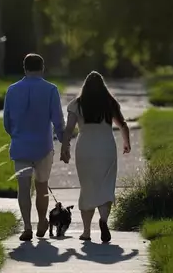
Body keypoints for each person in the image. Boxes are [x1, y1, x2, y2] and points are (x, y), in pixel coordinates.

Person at [60, 71, 131, 243]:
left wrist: (65, 146)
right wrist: (126, 142)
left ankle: (86, 232)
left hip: (85, 148)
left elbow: (69, 129)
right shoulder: (110, 103)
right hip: (106, 146)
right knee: (106, 185)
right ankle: (104, 221)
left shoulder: (76, 104)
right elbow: (122, 124)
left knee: (87, 187)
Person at [3, 53, 67, 241]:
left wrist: (15, 135)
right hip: (43, 147)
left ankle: (27, 227)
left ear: (24, 68)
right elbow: (58, 121)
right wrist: (64, 143)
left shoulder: (12, 90)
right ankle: (41, 222)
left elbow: (7, 121)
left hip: (21, 146)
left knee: (23, 188)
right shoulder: (50, 90)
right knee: (42, 187)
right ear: (42, 67)